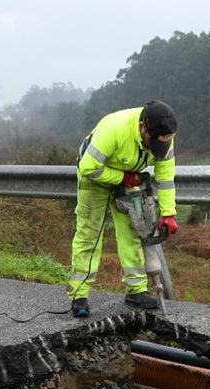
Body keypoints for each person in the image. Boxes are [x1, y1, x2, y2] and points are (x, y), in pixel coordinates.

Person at [68, 100, 178, 317]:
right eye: (151, 142)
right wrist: (122, 177)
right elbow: (88, 167)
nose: (154, 148)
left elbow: (165, 177)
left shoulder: (165, 136)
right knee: (89, 234)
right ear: (142, 127)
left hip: (130, 179)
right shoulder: (114, 129)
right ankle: (79, 296)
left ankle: (136, 291)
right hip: (96, 177)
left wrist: (169, 213)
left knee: (132, 232)